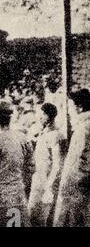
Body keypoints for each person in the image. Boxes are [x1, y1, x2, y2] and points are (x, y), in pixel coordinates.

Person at [54, 89, 90, 227]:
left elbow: (78, 163)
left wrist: (67, 188)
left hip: (78, 190)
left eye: (70, 107)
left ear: (79, 107)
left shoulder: (83, 129)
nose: (69, 112)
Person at [28, 103, 66, 226]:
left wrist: (49, 187)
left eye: (43, 114)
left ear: (49, 116)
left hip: (47, 185)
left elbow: (57, 164)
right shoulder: (43, 133)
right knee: (33, 217)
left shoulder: (56, 135)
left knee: (46, 218)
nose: (40, 117)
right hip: (38, 181)